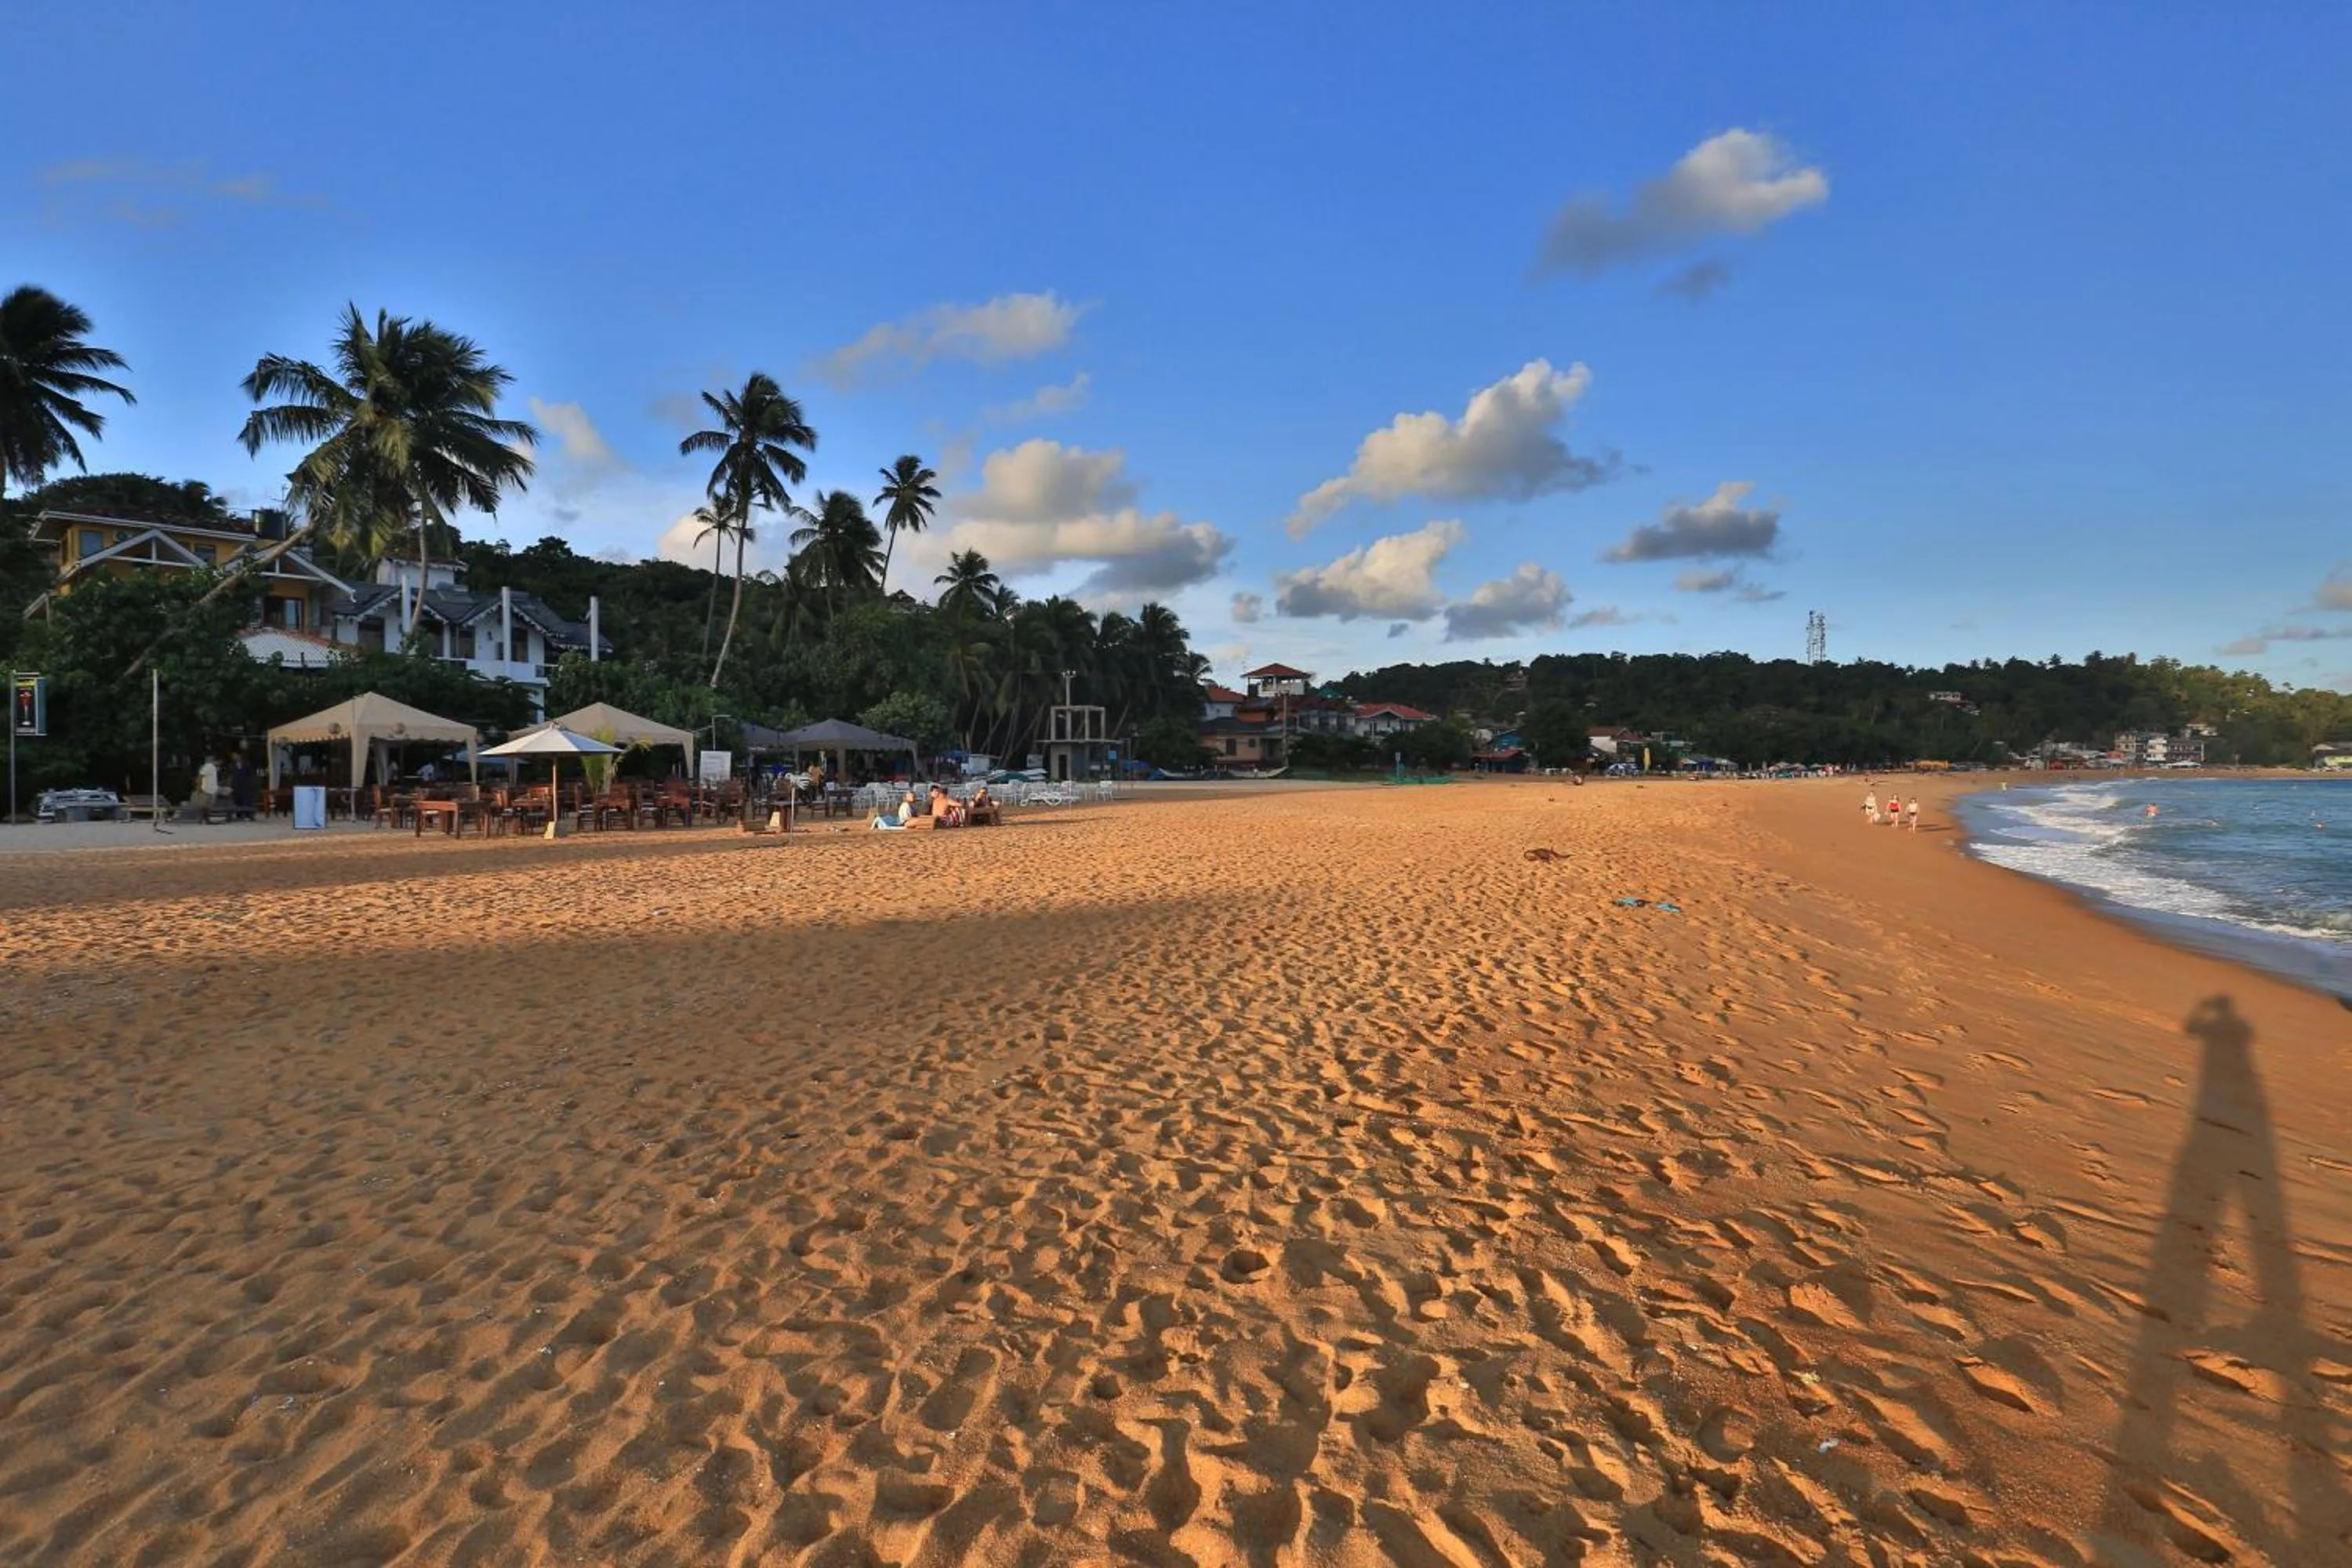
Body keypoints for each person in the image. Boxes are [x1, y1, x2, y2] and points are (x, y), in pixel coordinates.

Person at [194, 754, 221, 822]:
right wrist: (199, 788)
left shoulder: (213, 768)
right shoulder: (208, 767)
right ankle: (202, 819)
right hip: (206, 789)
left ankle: (205, 819)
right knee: (204, 805)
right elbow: (200, 777)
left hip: (210, 788)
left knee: (207, 805)